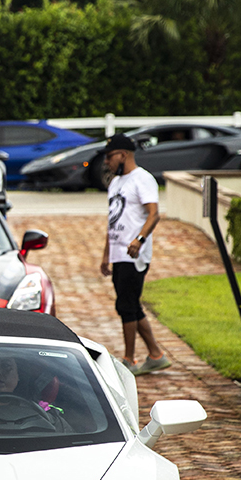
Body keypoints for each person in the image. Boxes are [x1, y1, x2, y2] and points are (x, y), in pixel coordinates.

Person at [99, 134, 171, 375]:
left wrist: (139, 240)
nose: (106, 161)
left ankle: (129, 360)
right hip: (118, 253)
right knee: (129, 305)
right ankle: (156, 355)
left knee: (126, 305)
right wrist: (106, 254)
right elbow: (112, 221)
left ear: (123, 155)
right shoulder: (115, 183)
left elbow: (154, 214)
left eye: (109, 156)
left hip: (134, 254)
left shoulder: (143, 179)